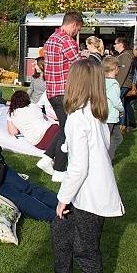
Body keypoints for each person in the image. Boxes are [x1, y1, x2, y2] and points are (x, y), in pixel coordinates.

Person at [31, 59, 124, 273]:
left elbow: (80, 166)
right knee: (59, 230)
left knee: (86, 251)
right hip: (84, 192)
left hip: (90, 195)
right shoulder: (93, 112)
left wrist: (63, 198)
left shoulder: (81, 117)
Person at [39, 11, 84, 176]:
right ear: (74, 24)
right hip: (65, 92)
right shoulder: (67, 41)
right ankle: (58, 169)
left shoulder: (51, 39)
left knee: (65, 128)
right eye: (78, 29)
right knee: (68, 130)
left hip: (52, 92)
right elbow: (80, 67)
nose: (77, 33)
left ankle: (47, 158)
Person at [113, 37, 136, 131]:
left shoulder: (125, 56)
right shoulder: (124, 55)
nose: (114, 45)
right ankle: (122, 125)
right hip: (123, 83)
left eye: (116, 43)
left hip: (123, 84)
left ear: (121, 45)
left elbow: (123, 73)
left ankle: (121, 125)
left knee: (118, 103)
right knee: (121, 103)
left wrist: (117, 85)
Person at [103, 56, 124, 160]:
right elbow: (116, 101)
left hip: (105, 115)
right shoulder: (114, 84)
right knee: (112, 139)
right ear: (115, 68)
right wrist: (121, 109)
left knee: (117, 138)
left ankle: (106, 158)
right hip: (110, 117)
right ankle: (106, 160)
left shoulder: (102, 82)